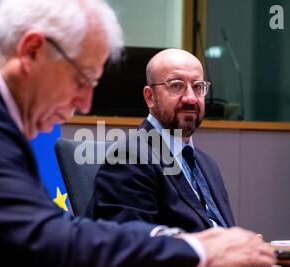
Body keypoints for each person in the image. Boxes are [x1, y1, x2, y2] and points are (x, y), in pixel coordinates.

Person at [0, 0, 275, 267]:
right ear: (32, 50)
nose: (83, 103)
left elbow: (57, 228)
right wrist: (197, 250)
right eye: (83, 79)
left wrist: (183, 242)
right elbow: (49, 243)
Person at [93, 49, 234, 232]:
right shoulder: (129, 159)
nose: (191, 98)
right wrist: (214, 251)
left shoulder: (208, 165)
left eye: (197, 87)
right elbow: (135, 246)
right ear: (150, 97)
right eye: (177, 85)